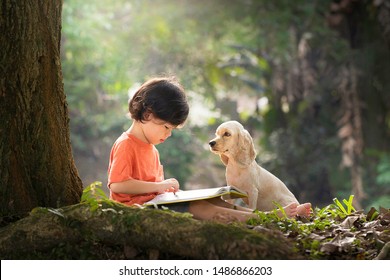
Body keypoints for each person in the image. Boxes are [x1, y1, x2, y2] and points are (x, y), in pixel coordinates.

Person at [107, 76, 311, 223]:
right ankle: (261, 219)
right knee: (199, 207)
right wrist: (160, 187)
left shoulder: (151, 149)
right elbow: (118, 185)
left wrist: (165, 188)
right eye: (166, 127)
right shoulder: (126, 144)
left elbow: (152, 185)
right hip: (136, 211)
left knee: (214, 200)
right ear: (148, 113)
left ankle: (259, 216)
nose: (168, 134)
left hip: (157, 202)